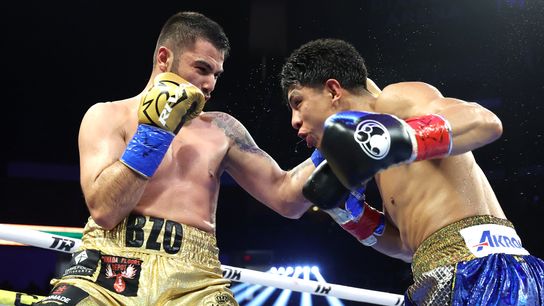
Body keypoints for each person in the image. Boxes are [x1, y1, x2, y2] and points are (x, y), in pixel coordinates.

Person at [34, 11, 323, 306]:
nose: (210, 84)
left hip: (195, 281)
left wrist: (335, 150)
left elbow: (286, 198)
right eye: (201, 68)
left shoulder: (222, 129)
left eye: (216, 74)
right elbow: (105, 210)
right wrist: (156, 132)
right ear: (164, 59)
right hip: (107, 268)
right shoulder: (108, 116)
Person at [280, 38, 544, 305]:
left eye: (298, 102)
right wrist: (353, 217)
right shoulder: (375, 165)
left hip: (482, 270)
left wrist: (398, 138)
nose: (295, 121)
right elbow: (408, 248)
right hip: (442, 276)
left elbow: (485, 122)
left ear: (333, 90)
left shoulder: (394, 102)